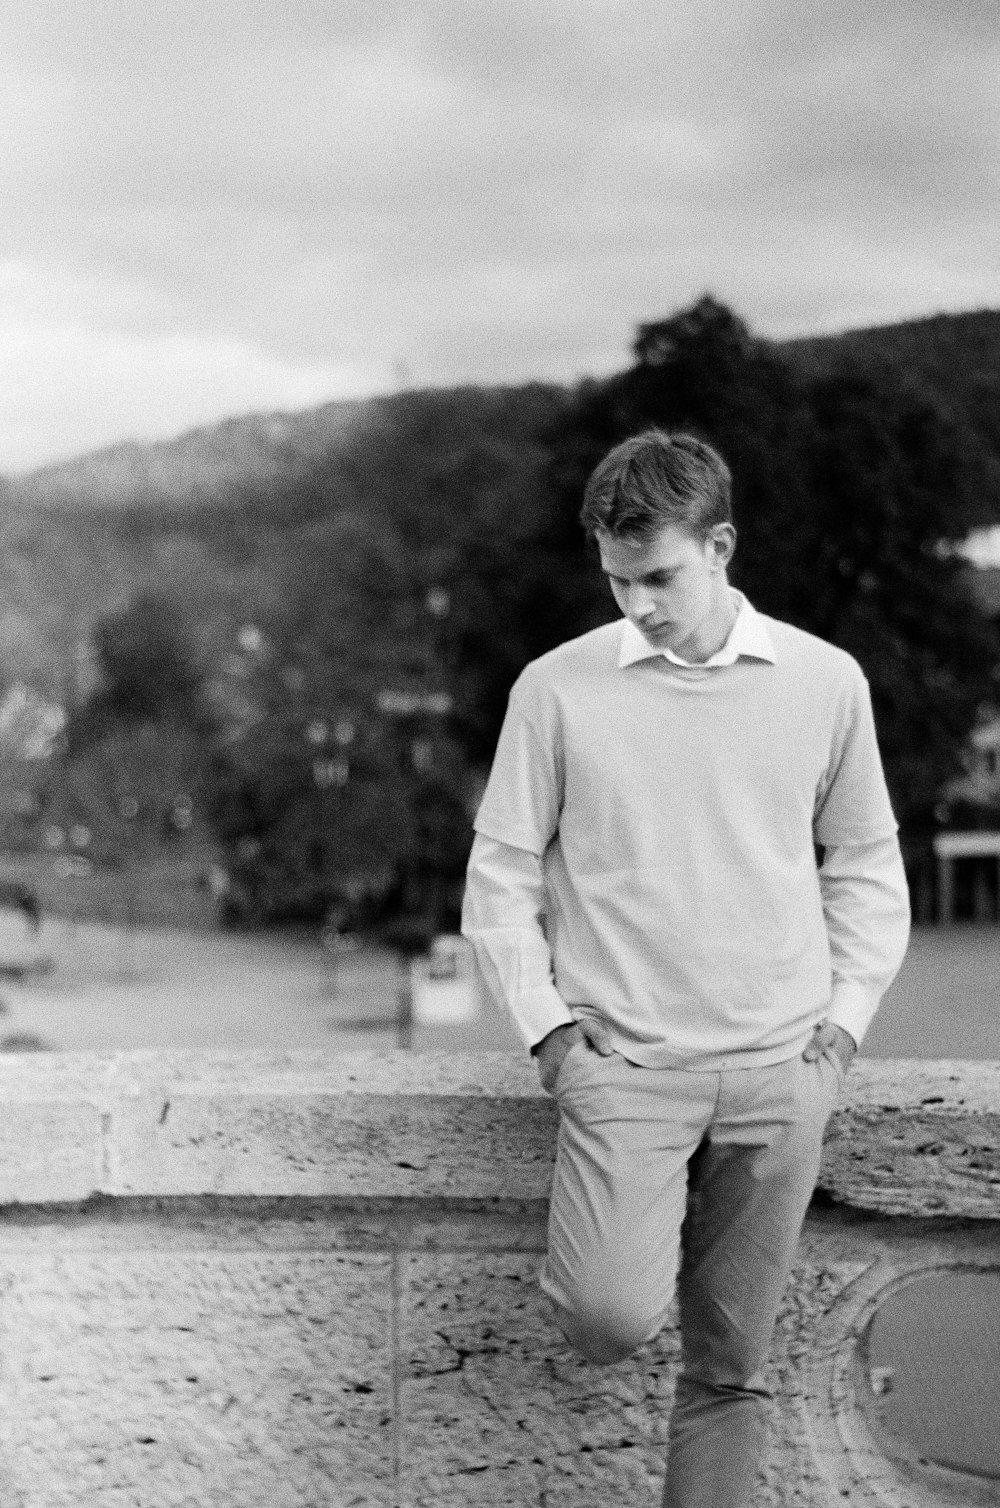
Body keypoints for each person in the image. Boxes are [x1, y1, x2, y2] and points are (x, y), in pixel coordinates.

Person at [461, 429, 910, 1508]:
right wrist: (554, 1038)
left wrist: (840, 1028)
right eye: (618, 580)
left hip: (779, 1070)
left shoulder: (823, 679)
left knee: (729, 1367)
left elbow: (864, 862)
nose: (638, 604)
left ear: (719, 545)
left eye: (657, 575)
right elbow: (499, 874)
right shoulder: (557, 689)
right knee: (605, 1315)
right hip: (626, 1070)